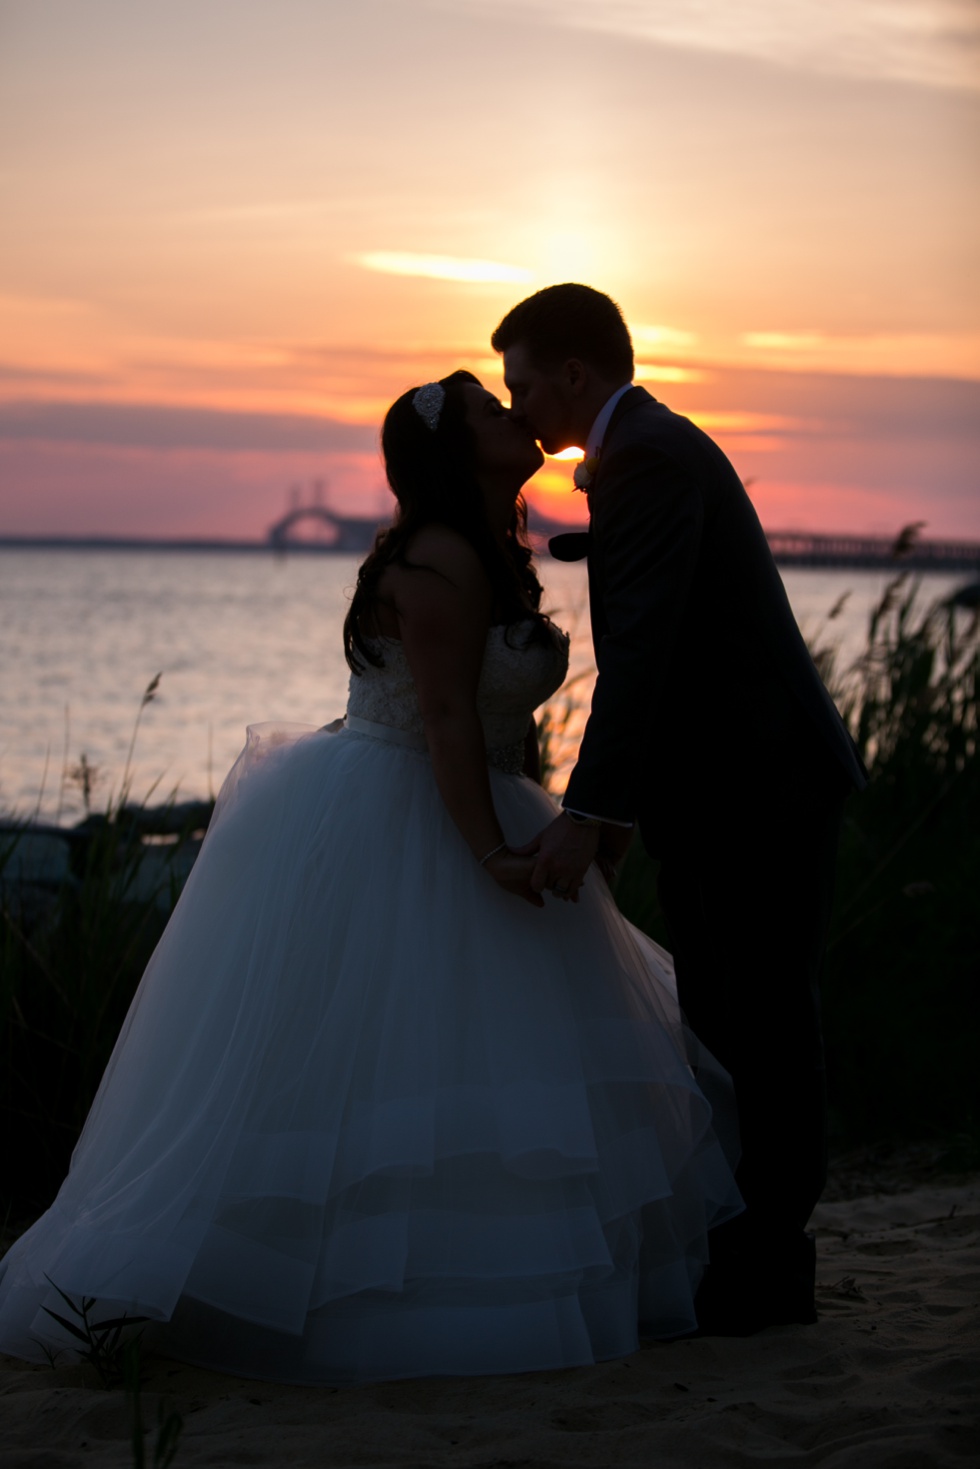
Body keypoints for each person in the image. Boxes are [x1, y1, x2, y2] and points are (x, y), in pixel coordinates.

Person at [0, 370, 742, 1385]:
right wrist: (488, 852)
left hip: (476, 792)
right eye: (491, 411)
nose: (514, 419)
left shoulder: (493, 548)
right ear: (450, 452)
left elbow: (489, 723)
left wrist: (558, 821)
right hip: (408, 805)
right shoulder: (436, 559)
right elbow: (441, 720)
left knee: (481, 1061)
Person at [492, 286, 867, 1333]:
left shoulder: (648, 456)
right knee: (728, 1010)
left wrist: (589, 811)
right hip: (725, 787)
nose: (518, 405)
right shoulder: (639, 456)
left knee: (762, 1017)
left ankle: (765, 1262)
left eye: (524, 382)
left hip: (758, 785)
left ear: (574, 373)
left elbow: (645, 650)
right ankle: (751, 1252)